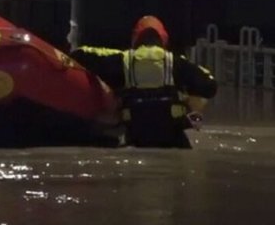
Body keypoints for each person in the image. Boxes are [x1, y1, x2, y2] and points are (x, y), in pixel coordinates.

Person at [70, 15, 217, 148]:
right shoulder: (177, 63)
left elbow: (80, 55)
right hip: (172, 136)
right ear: (163, 39)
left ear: (135, 38)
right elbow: (210, 86)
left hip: (135, 135)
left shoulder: (123, 60)